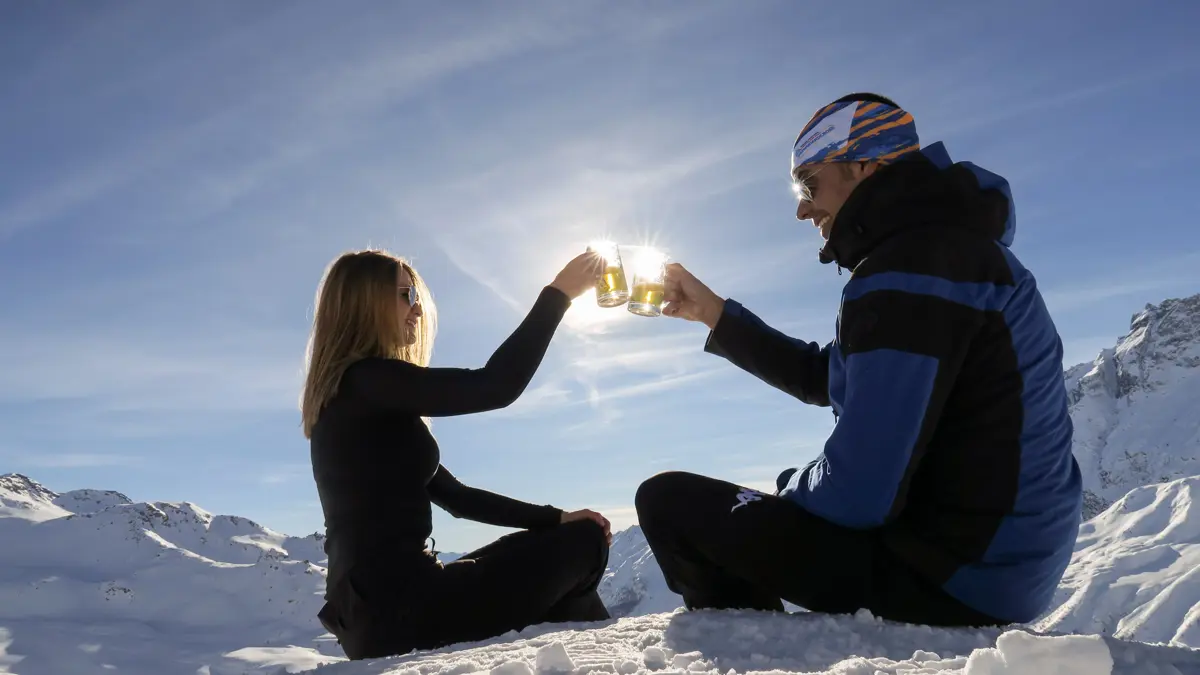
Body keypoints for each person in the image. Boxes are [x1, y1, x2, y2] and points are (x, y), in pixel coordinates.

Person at [635, 93, 1083, 628]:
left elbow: (860, 494)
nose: (802, 208)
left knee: (668, 503)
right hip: (1001, 563)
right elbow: (830, 374)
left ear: (864, 165)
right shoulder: (951, 257)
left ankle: (750, 653)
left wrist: (788, 488)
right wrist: (714, 314)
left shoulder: (909, 270)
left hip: (955, 577)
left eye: (809, 184)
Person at [302, 248, 613, 660]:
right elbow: (495, 385)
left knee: (561, 539)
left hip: (375, 616)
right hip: (404, 611)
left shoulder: (356, 398)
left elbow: (458, 498)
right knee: (586, 542)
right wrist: (560, 292)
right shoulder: (367, 380)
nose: (417, 310)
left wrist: (555, 518)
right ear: (366, 303)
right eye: (405, 296)